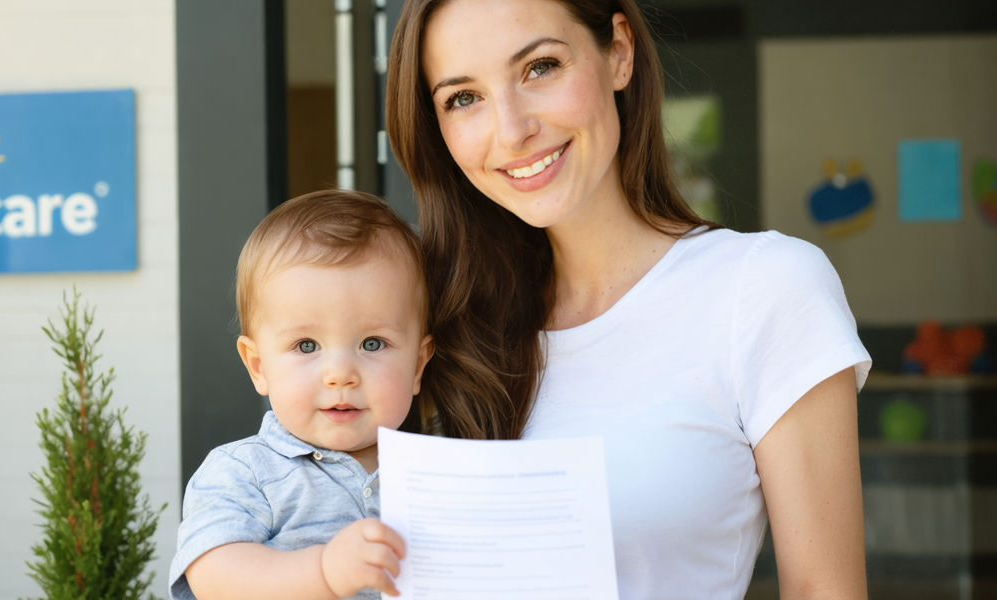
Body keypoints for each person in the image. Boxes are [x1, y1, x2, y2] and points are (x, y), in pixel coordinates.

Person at [385, 1, 871, 599]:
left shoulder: (762, 287)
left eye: (540, 67)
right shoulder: (424, 326)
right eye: (463, 98)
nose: (511, 130)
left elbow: (825, 589)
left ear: (618, 52)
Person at [168, 190, 431, 600]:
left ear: (417, 365)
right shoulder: (244, 472)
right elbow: (214, 577)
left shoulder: (436, 467)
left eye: (373, 343)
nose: (340, 375)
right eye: (307, 346)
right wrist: (323, 572)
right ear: (259, 367)